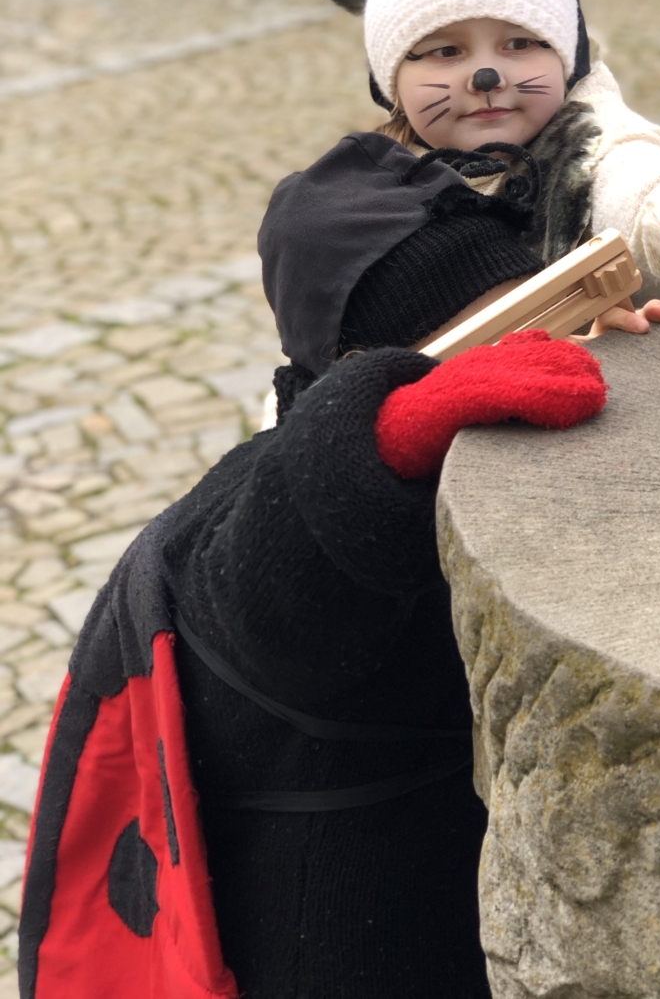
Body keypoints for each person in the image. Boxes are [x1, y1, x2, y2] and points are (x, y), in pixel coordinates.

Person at [19, 238, 609, 998]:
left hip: (440, 883)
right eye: (506, 329)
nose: (540, 349)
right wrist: (391, 434)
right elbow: (266, 600)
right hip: (332, 933)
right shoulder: (267, 498)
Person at [260, 0, 660, 408]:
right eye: (446, 51)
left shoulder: (583, 143)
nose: (487, 77)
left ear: (564, 56)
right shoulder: (380, 179)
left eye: (519, 43)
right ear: (391, 82)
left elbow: (637, 187)